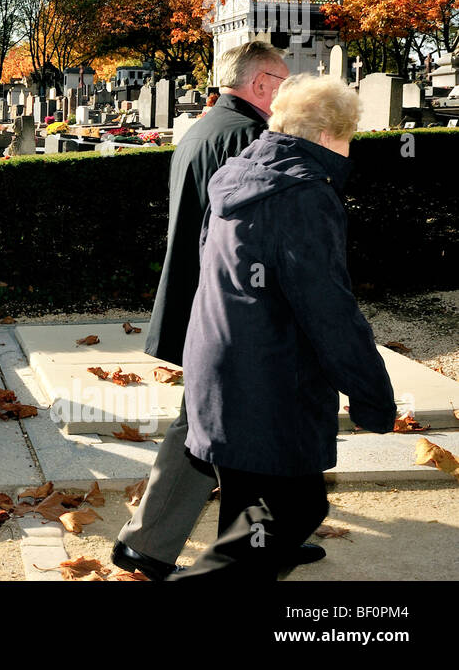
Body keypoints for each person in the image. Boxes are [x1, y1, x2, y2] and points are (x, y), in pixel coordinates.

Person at [169, 74, 396, 579]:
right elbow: (328, 309)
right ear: (324, 137)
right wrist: (373, 395)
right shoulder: (304, 194)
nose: (350, 145)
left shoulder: (237, 174)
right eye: (349, 134)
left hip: (220, 359)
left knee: (247, 508)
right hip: (267, 376)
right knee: (296, 508)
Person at [113, 41, 294, 580]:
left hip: (207, 299)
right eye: (284, 81)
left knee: (236, 422)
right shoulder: (251, 137)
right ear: (261, 83)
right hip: (232, 306)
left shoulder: (202, 127)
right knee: (205, 424)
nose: (289, 92)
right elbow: (255, 237)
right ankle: (146, 543)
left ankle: (259, 535)